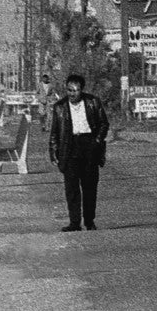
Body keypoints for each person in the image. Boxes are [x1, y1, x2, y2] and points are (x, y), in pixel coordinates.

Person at [47, 73, 109, 232]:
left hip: (89, 146)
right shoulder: (59, 107)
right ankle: (74, 222)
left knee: (89, 187)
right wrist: (53, 152)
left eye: (76, 91)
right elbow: (55, 132)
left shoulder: (92, 102)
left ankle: (89, 221)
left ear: (82, 90)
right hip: (70, 147)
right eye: (69, 90)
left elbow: (103, 124)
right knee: (71, 188)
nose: (72, 94)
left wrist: (96, 141)